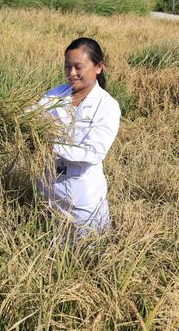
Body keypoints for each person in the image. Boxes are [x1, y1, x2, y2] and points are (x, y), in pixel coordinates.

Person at [39, 37, 121, 235]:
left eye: (78, 67)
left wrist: (50, 145)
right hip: (49, 192)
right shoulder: (54, 96)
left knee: (87, 256)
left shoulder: (107, 106)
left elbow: (93, 153)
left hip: (83, 197)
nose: (72, 73)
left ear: (98, 67)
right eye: (67, 67)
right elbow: (31, 116)